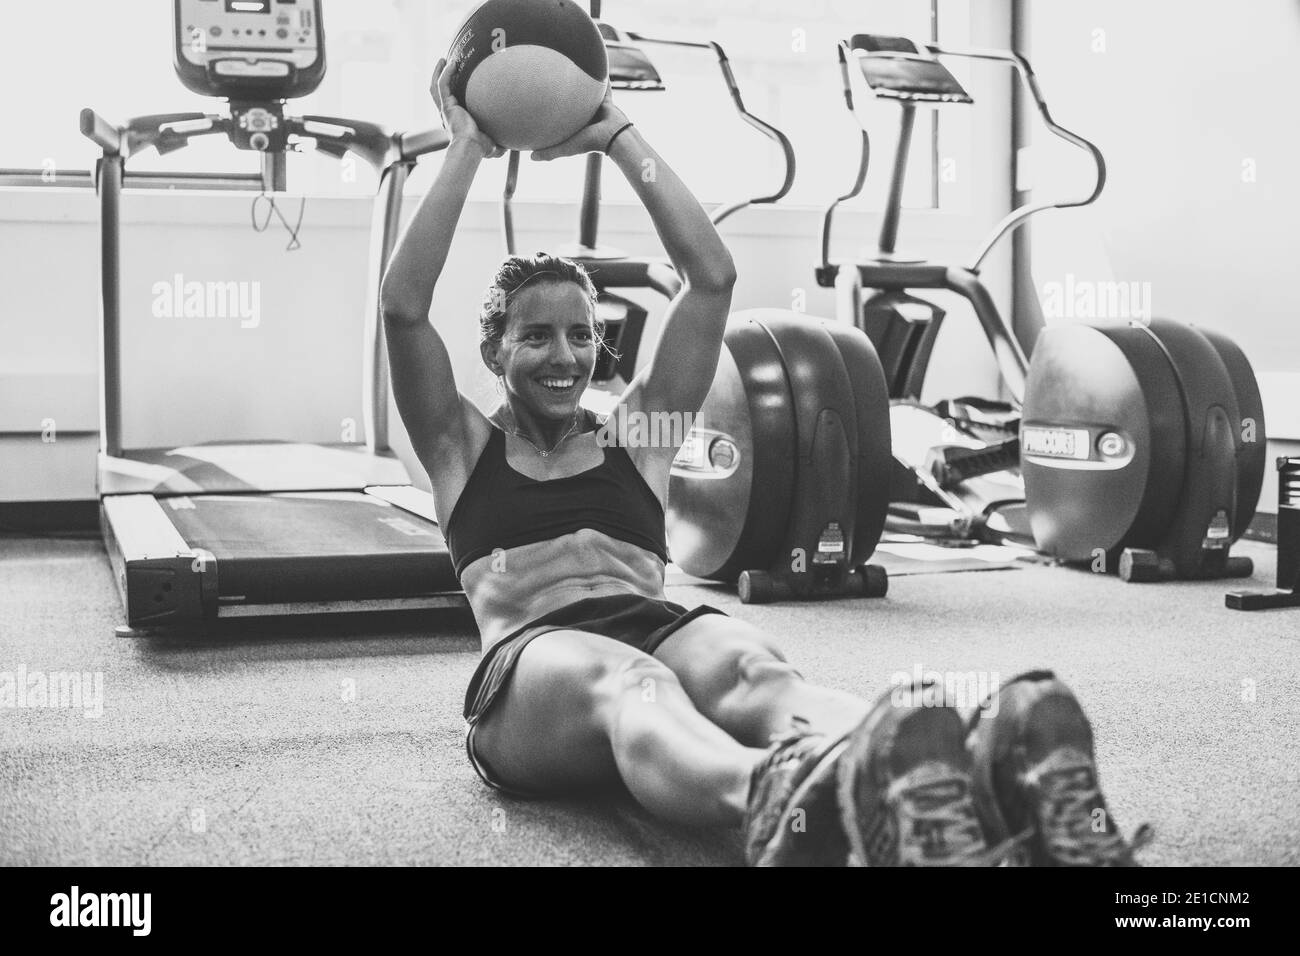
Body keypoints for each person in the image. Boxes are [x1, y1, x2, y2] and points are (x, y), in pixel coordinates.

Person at [377, 59, 1152, 867]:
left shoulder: (639, 436)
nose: (563, 354)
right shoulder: (459, 448)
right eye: (534, 336)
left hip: (655, 629)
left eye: (580, 333)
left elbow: (711, 278)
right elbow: (403, 306)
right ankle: (789, 799)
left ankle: (953, 787)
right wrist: (468, 142)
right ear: (494, 349)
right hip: (531, 670)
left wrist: (617, 136)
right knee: (632, 687)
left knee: (754, 668)